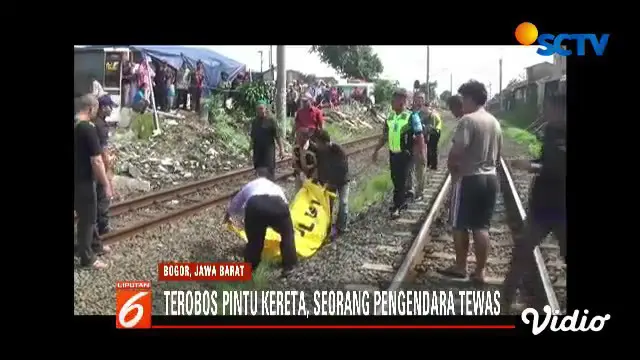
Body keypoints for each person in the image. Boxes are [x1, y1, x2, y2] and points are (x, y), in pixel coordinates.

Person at [501, 92, 566, 312]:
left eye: (548, 108)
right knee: (522, 251)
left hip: (562, 207)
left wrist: (531, 167)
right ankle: (505, 300)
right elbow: (546, 160)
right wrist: (533, 163)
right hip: (542, 205)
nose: (544, 112)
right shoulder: (549, 131)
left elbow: (559, 168)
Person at [439, 80, 502, 283]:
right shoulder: (494, 122)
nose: (462, 103)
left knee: (459, 225)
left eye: (464, 98)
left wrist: (453, 171)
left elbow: (457, 152)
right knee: (481, 227)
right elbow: (498, 155)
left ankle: (460, 266)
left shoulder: (468, 121)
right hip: (490, 178)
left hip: (469, 178)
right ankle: (480, 271)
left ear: (471, 99)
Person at [223, 168, 297, 276]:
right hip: (278, 205)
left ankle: (250, 268)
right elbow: (285, 205)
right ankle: (289, 266)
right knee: (287, 235)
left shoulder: (250, 185)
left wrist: (229, 213)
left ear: (257, 175)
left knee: (255, 240)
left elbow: (236, 202)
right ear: (268, 177)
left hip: (256, 206)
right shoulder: (276, 187)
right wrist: (283, 224)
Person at [372, 88, 425, 218]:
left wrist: (422, 153)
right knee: (395, 179)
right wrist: (376, 150)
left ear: (401, 101)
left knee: (401, 181)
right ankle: (400, 202)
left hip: (406, 154)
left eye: (393, 100)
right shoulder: (390, 117)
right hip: (393, 154)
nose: (391, 102)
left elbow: (419, 136)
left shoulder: (412, 116)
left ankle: (398, 206)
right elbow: (384, 136)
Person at [74, 94, 113, 270]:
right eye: (95, 109)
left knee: (86, 217)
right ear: (90, 109)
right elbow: (96, 161)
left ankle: (94, 245)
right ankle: (87, 258)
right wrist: (105, 184)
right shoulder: (88, 129)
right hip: (83, 181)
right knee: (88, 219)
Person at [313, 129, 349, 239]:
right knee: (328, 205)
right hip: (329, 182)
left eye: (318, 142)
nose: (317, 145)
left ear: (325, 142)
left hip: (342, 181)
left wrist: (331, 182)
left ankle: (341, 226)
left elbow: (343, 169)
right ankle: (327, 227)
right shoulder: (319, 152)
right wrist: (320, 181)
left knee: (343, 203)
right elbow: (320, 167)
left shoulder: (338, 150)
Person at [93, 96, 118, 235]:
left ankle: (96, 225)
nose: (111, 109)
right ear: (103, 108)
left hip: (91, 164)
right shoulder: (101, 126)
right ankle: (102, 226)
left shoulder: (94, 122)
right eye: (110, 107)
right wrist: (108, 170)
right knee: (103, 196)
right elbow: (103, 151)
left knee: (97, 195)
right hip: (99, 164)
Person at [250, 100, 285, 180]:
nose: (260, 111)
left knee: (269, 170)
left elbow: (278, 136)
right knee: (259, 171)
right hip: (258, 150)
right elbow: (253, 137)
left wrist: (281, 150)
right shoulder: (255, 122)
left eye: (261, 108)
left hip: (268, 150)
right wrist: (250, 148)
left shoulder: (271, 120)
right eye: (258, 109)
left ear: (265, 109)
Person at [407, 92, 429, 201]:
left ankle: (420, 192)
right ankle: (410, 190)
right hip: (409, 144)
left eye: (421, 98)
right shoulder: (409, 112)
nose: (419, 100)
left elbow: (431, 129)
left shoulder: (427, 113)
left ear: (424, 100)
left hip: (421, 144)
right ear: (414, 99)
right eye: (417, 98)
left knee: (420, 169)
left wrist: (422, 131)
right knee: (409, 168)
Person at [425, 105, 443, 170]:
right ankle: (430, 163)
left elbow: (431, 127)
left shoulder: (433, 116)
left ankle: (434, 165)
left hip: (435, 132)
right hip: (436, 132)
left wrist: (426, 133)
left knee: (432, 149)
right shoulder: (433, 113)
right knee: (430, 148)